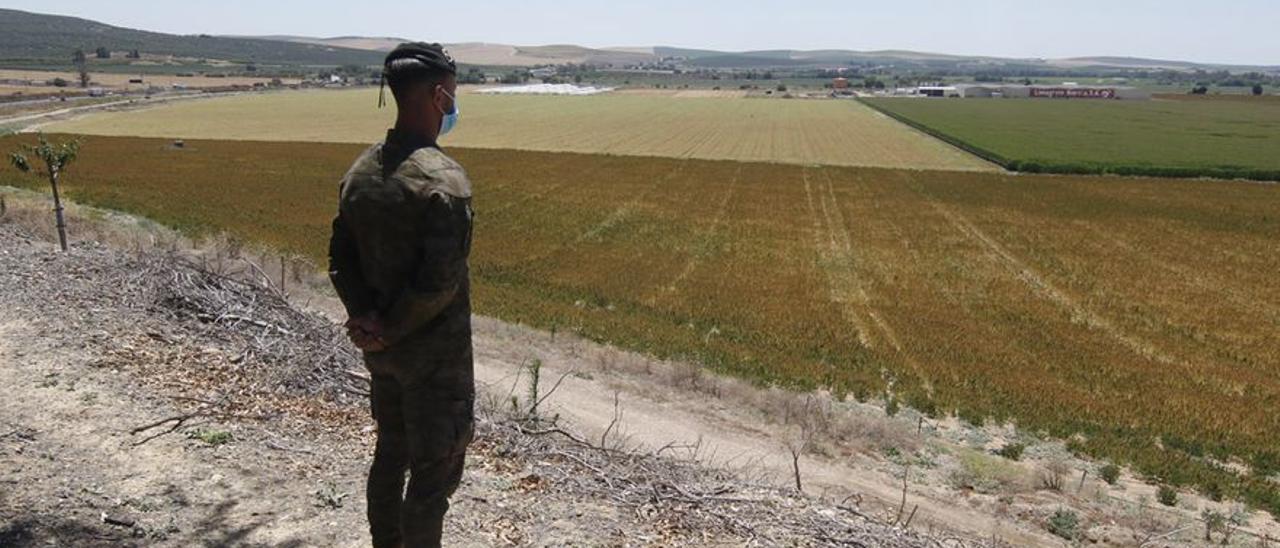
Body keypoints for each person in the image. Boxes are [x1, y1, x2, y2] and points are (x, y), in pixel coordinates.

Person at [328, 42, 474, 548]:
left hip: (382, 357)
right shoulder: (443, 180)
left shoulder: (359, 173)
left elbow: (339, 257)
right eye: (452, 94)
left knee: (390, 456)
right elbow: (440, 282)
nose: (453, 104)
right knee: (433, 477)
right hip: (434, 365)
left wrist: (366, 319)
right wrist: (389, 327)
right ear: (437, 95)